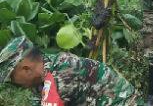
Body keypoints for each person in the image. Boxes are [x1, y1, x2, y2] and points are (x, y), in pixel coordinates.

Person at [0, 36, 143, 105]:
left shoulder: (63, 72)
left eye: (12, 77)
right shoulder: (42, 75)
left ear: (26, 69)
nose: (13, 82)